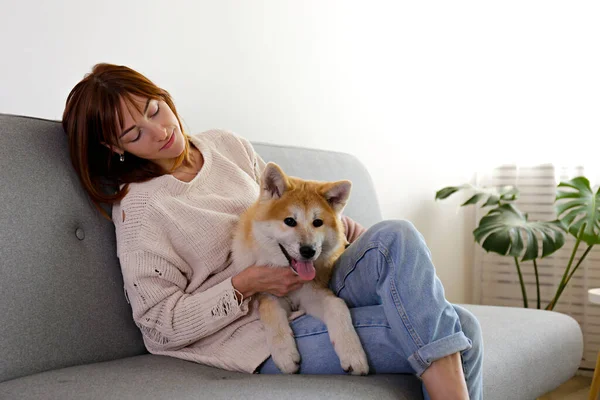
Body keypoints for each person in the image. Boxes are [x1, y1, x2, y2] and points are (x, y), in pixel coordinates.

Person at [62, 63, 483, 400]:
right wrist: (243, 284)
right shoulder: (141, 207)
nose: (160, 131)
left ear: (163, 97)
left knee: (398, 235)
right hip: (250, 329)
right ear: (115, 148)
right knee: (460, 328)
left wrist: (375, 247)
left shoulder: (226, 145)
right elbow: (157, 325)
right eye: (134, 133)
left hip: (310, 281)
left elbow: (296, 206)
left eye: (154, 110)